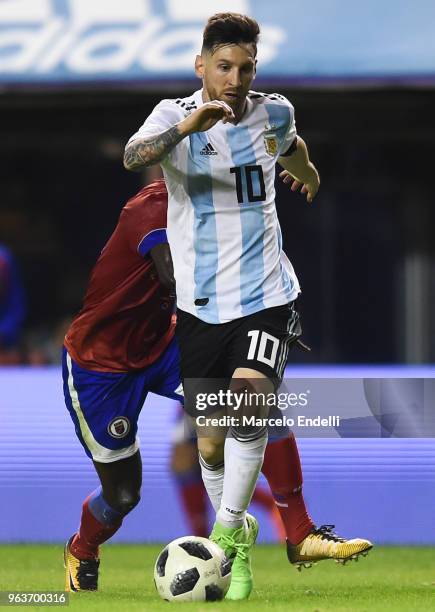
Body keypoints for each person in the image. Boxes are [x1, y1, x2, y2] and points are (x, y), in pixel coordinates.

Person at [62, 181, 372, 593]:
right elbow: (175, 275)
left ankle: (298, 531)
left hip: (163, 344)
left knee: (255, 403)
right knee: (122, 495)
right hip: (100, 366)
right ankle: (82, 548)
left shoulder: (220, 206)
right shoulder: (152, 207)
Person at [123, 12, 327, 599]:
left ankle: (224, 539)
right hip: (199, 304)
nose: (235, 78)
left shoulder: (274, 110)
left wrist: (305, 172)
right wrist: (190, 125)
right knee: (209, 442)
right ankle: (236, 544)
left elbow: (291, 144)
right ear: (202, 67)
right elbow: (135, 157)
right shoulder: (171, 115)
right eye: (223, 67)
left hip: (265, 294)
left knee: (249, 403)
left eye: (245, 67)